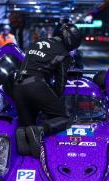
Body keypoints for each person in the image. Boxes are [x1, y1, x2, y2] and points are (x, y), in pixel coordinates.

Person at [13, 23, 82, 157]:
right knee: (64, 118)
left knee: (28, 130)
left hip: (17, 86)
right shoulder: (64, 54)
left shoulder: (38, 42)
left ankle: (28, 147)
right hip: (35, 85)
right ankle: (40, 130)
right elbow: (60, 84)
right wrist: (52, 103)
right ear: (71, 40)